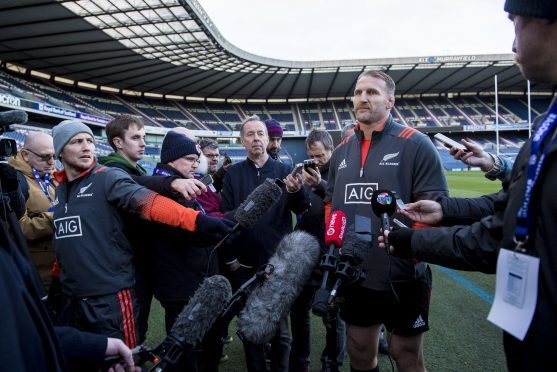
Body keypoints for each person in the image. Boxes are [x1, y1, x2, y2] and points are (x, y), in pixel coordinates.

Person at [381, 1, 557, 370]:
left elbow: (494, 236)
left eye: (516, 23)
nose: (512, 43)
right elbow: (513, 205)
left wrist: (412, 241)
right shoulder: (548, 123)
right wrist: (446, 209)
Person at [51, 119, 234, 347]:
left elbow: (150, 203)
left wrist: (198, 221)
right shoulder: (60, 190)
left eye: (89, 140)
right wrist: (56, 284)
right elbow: (65, 241)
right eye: (77, 142)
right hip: (72, 296)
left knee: (125, 357)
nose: (87, 146)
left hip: (111, 296)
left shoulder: (106, 177)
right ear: (59, 151)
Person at [325, 70, 448, 372]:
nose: (363, 98)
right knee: (359, 349)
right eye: (358, 92)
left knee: (404, 352)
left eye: (372, 92)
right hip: (355, 271)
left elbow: (436, 207)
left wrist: (412, 253)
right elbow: (331, 203)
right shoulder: (341, 151)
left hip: (404, 273)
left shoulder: (416, 144)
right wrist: (334, 245)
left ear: (390, 100)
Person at [221, 115, 309, 372]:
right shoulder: (233, 174)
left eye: (260, 133)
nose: (256, 138)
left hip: (278, 266)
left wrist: (296, 191)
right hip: (245, 267)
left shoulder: (284, 172)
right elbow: (225, 218)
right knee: (250, 331)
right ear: (242, 141)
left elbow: (302, 207)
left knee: (281, 333)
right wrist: (231, 260)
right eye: (250, 134)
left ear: (268, 139)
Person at [149, 131, 223, 371]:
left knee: (196, 346)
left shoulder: (176, 183)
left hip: (187, 279)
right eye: (191, 159)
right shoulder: (166, 189)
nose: (196, 164)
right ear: (172, 159)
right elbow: (193, 234)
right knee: (183, 351)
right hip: (180, 284)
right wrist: (228, 223)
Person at [287, 129, 347, 372]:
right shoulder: (305, 171)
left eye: (320, 155)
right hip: (304, 252)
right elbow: (300, 208)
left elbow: (343, 207)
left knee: (333, 315)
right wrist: (293, 192)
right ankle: (300, 360)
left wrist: (320, 185)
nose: (316, 160)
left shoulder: (343, 173)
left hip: (332, 255)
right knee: (298, 311)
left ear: (332, 151)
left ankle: (331, 363)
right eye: (311, 155)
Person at [8, 131, 57, 289]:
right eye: (45, 157)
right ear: (25, 154)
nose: (51, 162)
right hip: (36, 281)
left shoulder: (53, 177)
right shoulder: (12, 181)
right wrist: (56, 217)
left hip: (60, 276)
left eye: (54, 156)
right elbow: (15, 231)